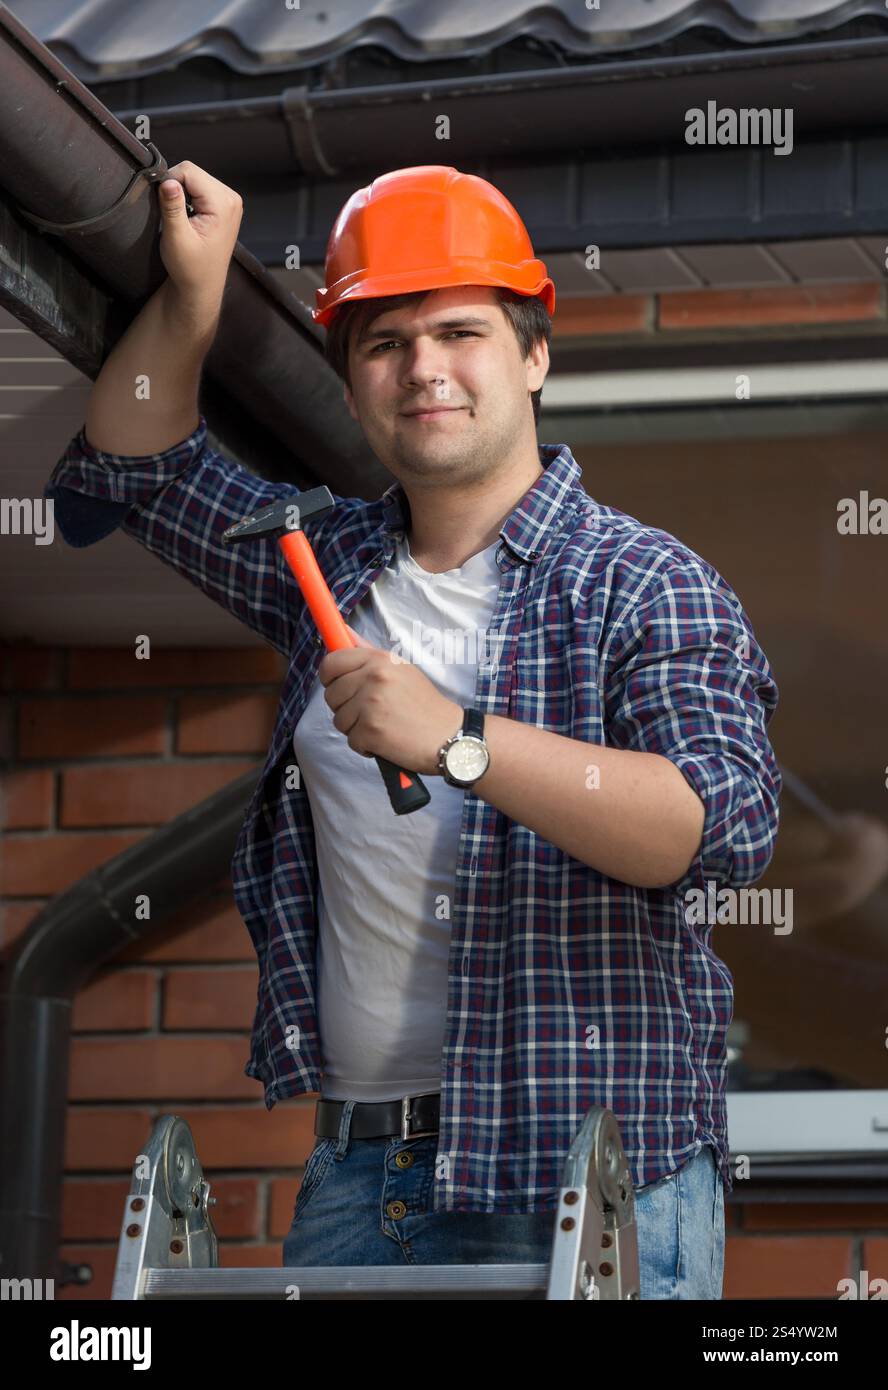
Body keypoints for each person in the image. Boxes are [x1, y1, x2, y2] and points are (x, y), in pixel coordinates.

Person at [43, 162, 781, 1299]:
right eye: (384, 343)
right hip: (357, 1175)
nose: (424, 367)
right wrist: (194, 295)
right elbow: (136, 463)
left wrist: (459, 740)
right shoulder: (325, 568)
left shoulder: (644, 585)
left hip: (577, 1181)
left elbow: (714, 826)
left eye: (461, 331)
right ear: (352, 382)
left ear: (535, 354)